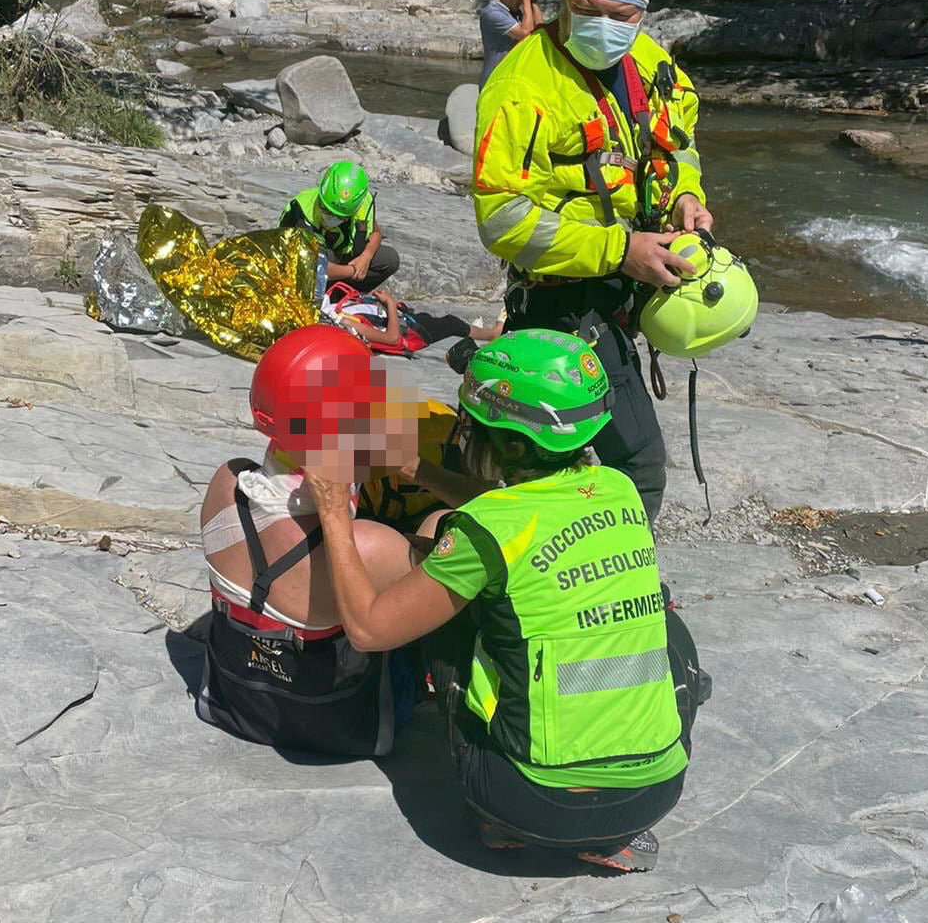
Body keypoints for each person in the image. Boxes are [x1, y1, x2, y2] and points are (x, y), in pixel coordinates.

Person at [308, 330, 703, 872]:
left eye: (472, 424)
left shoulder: (484, 532)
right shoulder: (618, 487)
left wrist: (333, 511)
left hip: (530, 801)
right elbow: (522, 512)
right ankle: (609, 835)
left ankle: (500, 825)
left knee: (454, 611)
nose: (462, 431)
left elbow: (370, 630)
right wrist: (416, 470)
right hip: (655, 794)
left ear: (513, 444)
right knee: (657, 621)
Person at [471, 0, 712, 525]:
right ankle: (611, 589)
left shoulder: (650, 61)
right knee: (637, 463)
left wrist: (685, 196)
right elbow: (501, 219)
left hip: (624, 286)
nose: (604, 25)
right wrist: (619, 249)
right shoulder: (521, 83)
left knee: (575, 463)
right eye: (587, 11)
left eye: (621, 14)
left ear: (642, 11)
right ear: (563, 0)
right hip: (563, 301)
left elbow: (677, 147)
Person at [196, 325, 419, 757]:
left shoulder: (224, 485)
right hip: (337, 721)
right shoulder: (372, 546)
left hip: (236, 702)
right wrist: (423, 477)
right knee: (439, 531)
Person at [278, 161, 399, 290]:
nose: (331, 218)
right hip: (304, 267)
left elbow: (375, 233)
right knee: (327, 257)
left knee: (390, 260)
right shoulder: (302, 211)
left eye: (340, 216)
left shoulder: (362, 206)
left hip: (342, 257)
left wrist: (366, 256)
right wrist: (353, 270)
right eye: (325, 210)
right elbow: (314, 266)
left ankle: (339, 294)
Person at [324, 282, 504, 357]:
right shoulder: (343, 323)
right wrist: (390, 304)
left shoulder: (331, 314)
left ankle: (479, 332)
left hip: (401, 318)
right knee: (451, 323)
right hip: (410, 332)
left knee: (429, 318)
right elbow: (392, 338)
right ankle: (491, 334)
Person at [479, 0, 543, 85]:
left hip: (512, 79)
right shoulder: (492, 12)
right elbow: (524, 33)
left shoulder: (516, 11)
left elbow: (541, 31)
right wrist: (525, 0)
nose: (522, 2)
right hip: (494, 82)